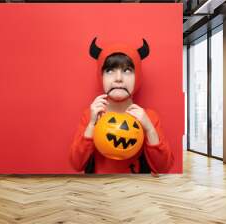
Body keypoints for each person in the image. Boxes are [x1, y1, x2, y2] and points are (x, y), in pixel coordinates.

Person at [69, 37, 174, 174]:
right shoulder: (90, 115)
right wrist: (91, 125)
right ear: (101, 76)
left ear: (138, 77)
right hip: (100, 191)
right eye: (110, 71)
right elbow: (77, 164)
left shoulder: (149, 117)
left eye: (127, 70)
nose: (118, 78)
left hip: (137, 191)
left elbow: (163, 168)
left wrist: (149, 129)